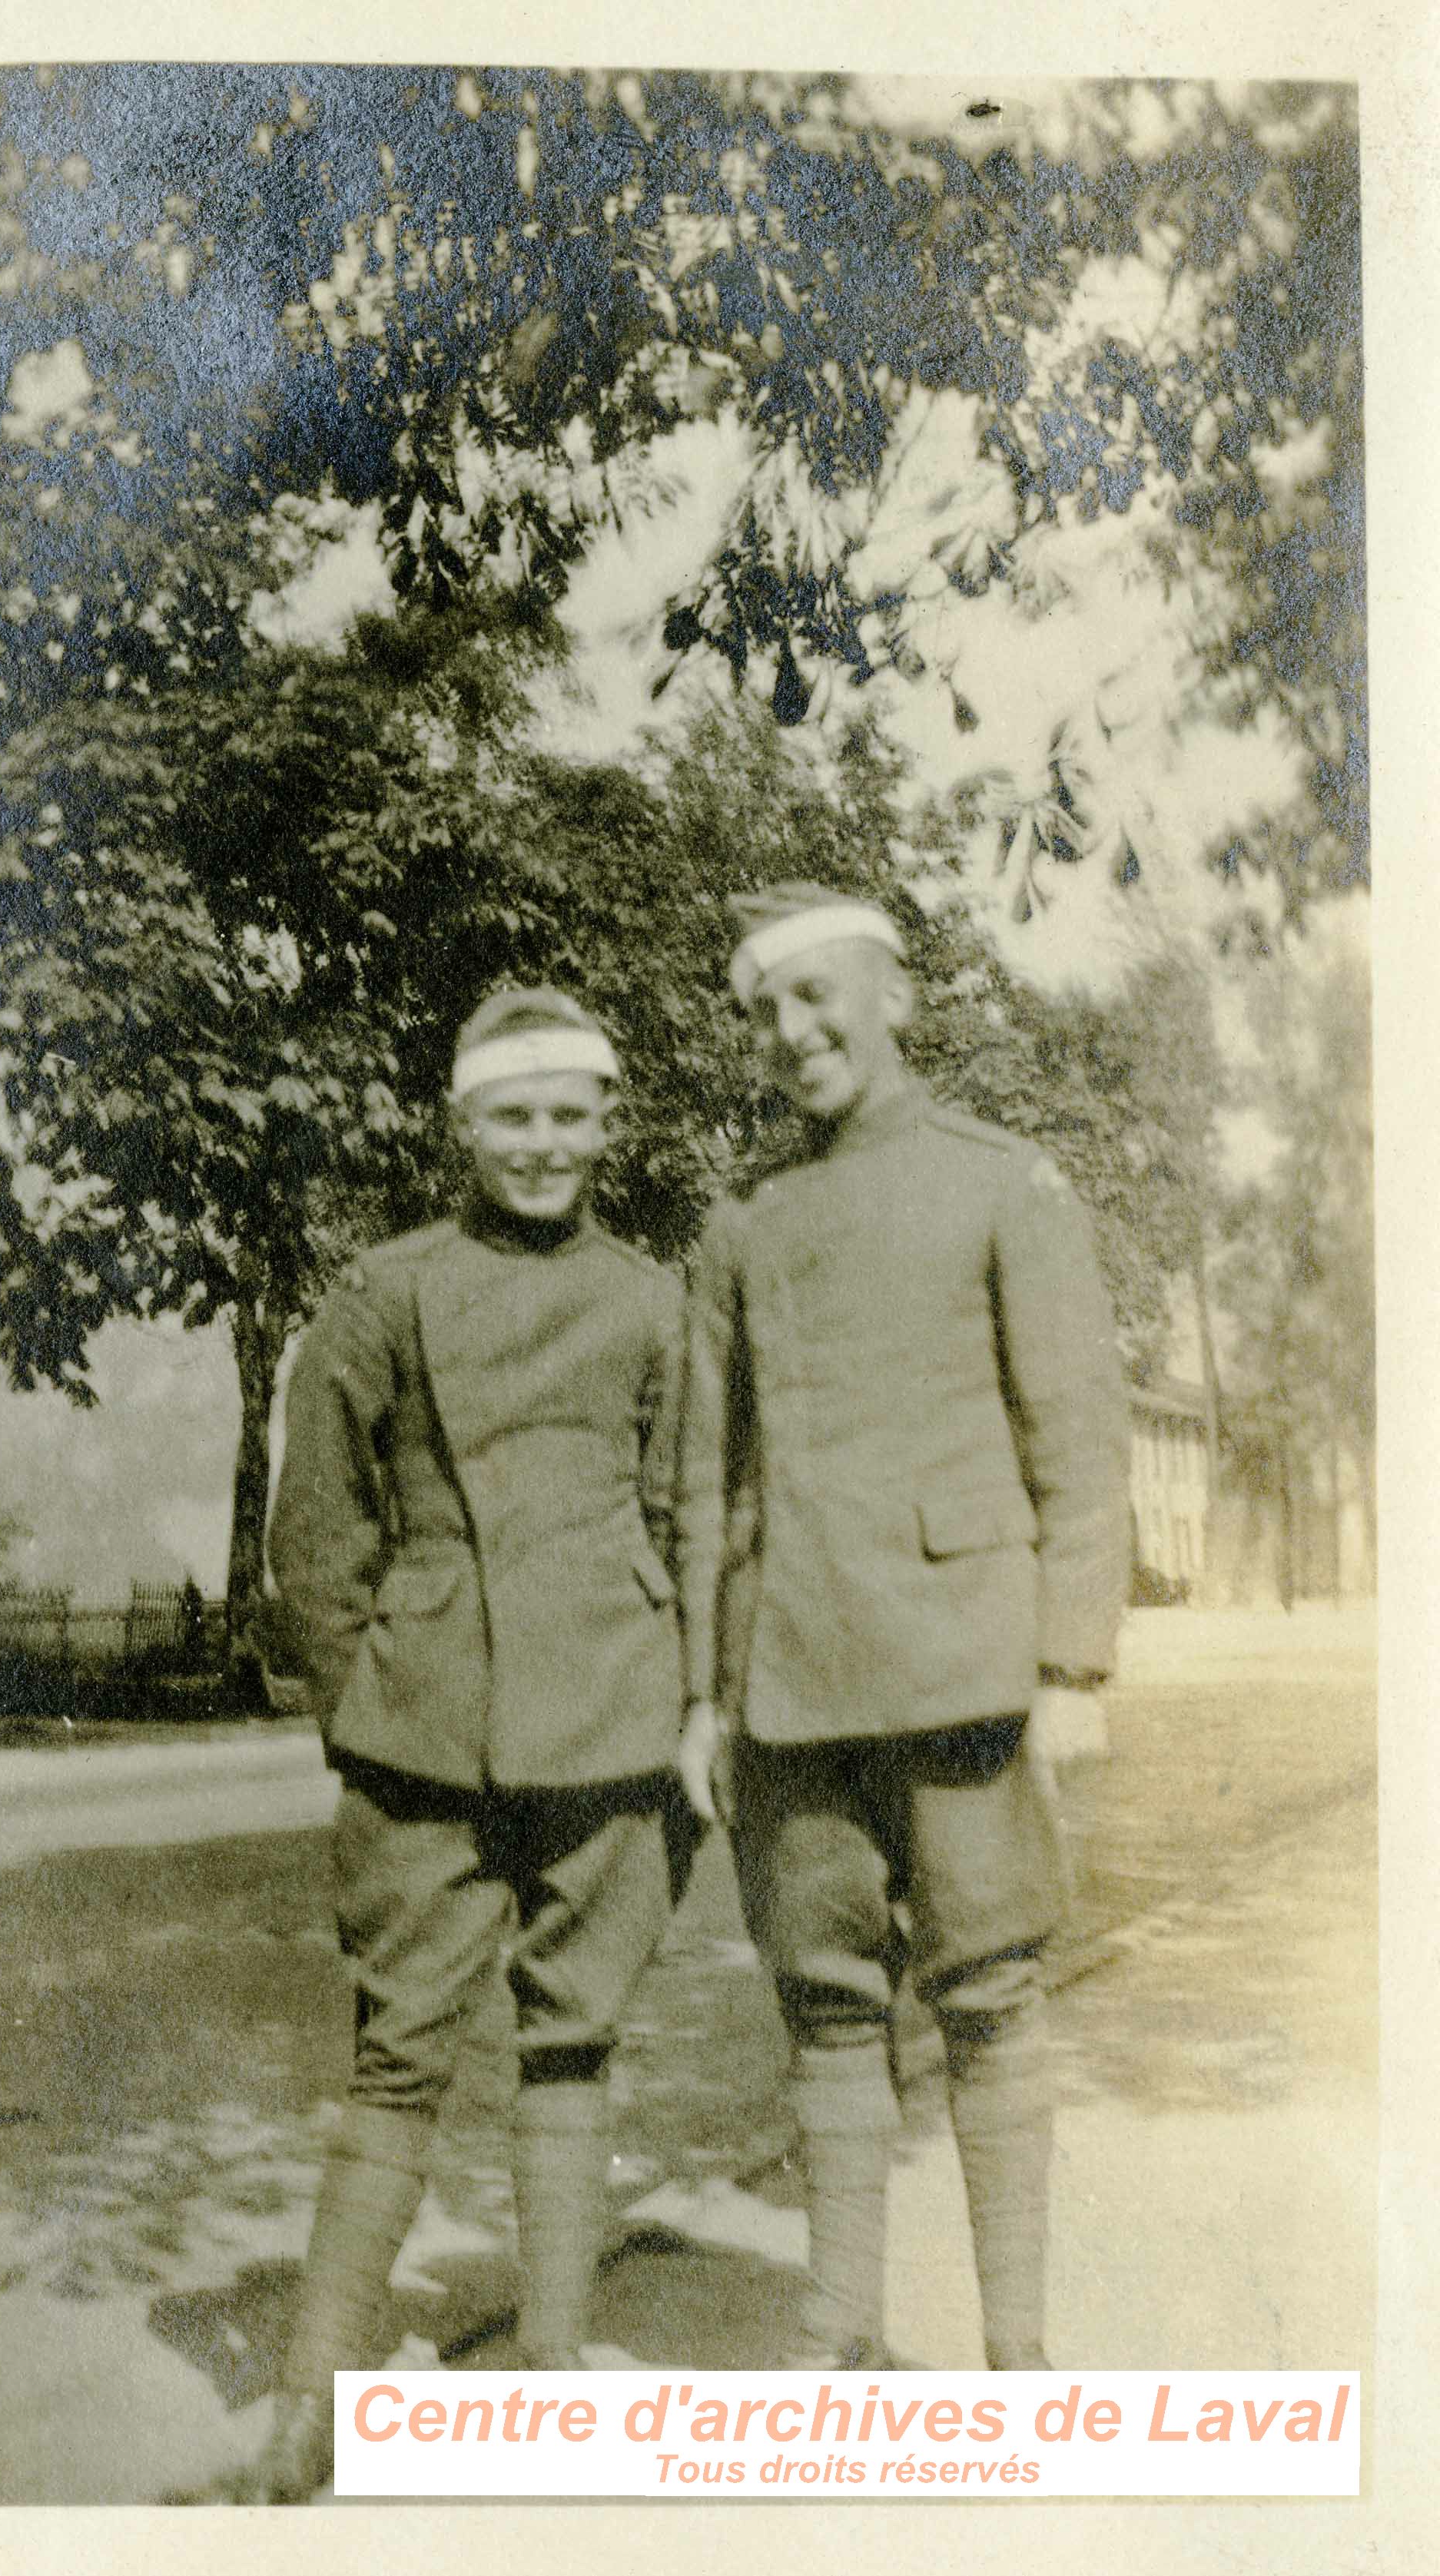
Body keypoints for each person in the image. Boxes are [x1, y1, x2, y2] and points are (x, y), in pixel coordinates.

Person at [676, 882, 1130, 2372]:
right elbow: (707, 1474)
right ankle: (838, 2339)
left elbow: (1075, 1433)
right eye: (770, 1014)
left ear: (894, 1000)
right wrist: (701, 1695)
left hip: (964, 1668)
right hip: (792, 1677)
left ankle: (1018, 2357)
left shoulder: (1003, 1182)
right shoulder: (744, 1221)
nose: (796, 1035)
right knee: (824, 2007)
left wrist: (1071, 1663)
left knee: (993, 1996)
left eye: (820, 999)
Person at [247, 986, 688, 2501]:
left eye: (573, 1116)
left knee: (574, 2035)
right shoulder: (381, 1293)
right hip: (422, 1732)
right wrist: (363, 1702)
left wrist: (685, 1706)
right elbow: (320, 1532)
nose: (544, 1146)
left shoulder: (651, 1298)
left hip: (613, 1723)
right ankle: (307, 2406)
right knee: (398, 2057)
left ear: (608, 1129)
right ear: (462, 1127)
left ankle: (553, 2366)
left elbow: (685, 1508)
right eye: (515, 1116)